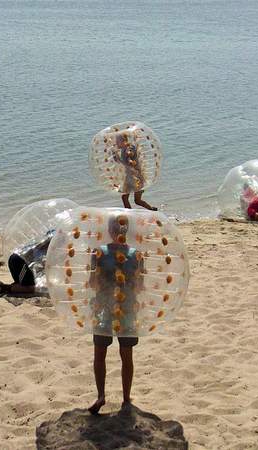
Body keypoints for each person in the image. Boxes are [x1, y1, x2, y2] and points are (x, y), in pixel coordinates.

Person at [87, 214, 144, 414]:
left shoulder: (99, 253)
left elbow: (93, 284)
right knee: (126, 356)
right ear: (125, 231)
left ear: (110, 231)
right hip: (127, 309)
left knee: (99, 355)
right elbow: (139, 287)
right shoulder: (137, 254)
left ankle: (101, 396)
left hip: (103, 309)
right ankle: (126, 398)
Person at [0, 230, 54, 298]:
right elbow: (45, 266)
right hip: (20, 262)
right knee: (30, 288)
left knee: (22, 283)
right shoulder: (45, 249)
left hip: (14, 258)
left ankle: (3, 287)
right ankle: (2, 287)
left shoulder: (39, 244)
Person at [113, 133, 157, 211]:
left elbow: (130, 161)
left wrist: (127, 158)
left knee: (134, 200)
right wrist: (117, 159)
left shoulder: (129, 148)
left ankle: (150, 210)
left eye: (117, 141)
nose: (116, 143)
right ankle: (151, 210)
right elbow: (125, 163)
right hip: (130, 177)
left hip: (135, 178)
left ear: (124, 141)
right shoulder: (123, 149)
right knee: (132, 199)